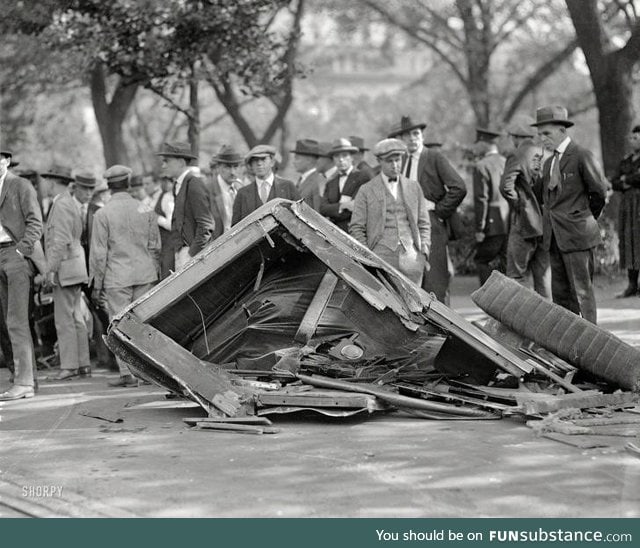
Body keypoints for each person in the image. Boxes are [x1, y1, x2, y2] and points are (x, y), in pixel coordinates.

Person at [533, 105, 609, 324]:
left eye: (546, 133)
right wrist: (536, 175)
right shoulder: (548, 163)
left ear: (562, 130)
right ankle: (565, 347)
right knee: (560, 296)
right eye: (539, 135)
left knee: (581, 293)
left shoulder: (581, 155)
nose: (542, 139)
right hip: (555, 238)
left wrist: (582, 218)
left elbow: (599, 193)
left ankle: (589, 345)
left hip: (577, 236)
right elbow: (542, 197)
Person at [90, 165, 161, 387]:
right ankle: (148, 372)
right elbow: (155, 247)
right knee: (144, 325)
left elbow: (99, 254)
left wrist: (97, 284)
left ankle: (127, 373)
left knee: (119, 326)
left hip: (116, 276)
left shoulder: (102, 214)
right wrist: (155, 272)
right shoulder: (146, 210)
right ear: (129, 184)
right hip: (145, 273)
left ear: (109, 187)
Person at [388, 115, 467, 304]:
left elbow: (459, 187)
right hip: (404, 227)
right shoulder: (400, 161)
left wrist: (439, 211)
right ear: (400, 140)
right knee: (409, 279)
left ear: (422, 135)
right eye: (406, 136)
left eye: (415, 134)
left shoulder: (434, 157)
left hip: (430, 225)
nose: (412, 139)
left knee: (436, 281)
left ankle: (447, 330)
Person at [350, 138, 431, 285]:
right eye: (389, 161)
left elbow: (424, 223)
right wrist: (367, 256)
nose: (395, 165)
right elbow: (356, 227)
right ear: (379, 161)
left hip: (413, 260)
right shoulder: (366, 190)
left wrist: (424, 252)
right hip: (380, 259)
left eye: (398, 160)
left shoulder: (414, 187)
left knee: (416, 306)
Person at [42, 165, 91, 381]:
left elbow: (59, 241)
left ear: (53, 182)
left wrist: (50, 269)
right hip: (75, 266)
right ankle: (82, 365)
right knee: (76, 317)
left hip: (65, 267)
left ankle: (69, 367)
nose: (45, 185)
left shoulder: (61, 205)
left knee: (64, 320)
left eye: (47, 181)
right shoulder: (67, 202)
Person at [0, 149, 43, 401]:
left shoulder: (20, 185)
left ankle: (24, 383)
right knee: (7, 321)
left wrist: (21, 251)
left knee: (16, 320)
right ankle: (27, 379)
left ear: (6, 161)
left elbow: (36, 222)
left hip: (13, 255)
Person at [499, 141, 551, 298]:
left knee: (516, 275)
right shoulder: (548, 154)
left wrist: (520, 205)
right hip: (547, 223)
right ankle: (547, 319)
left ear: (516, 137)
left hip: (525, 222)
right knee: (543, 277)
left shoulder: (517, 154)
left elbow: (506, 187)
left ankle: (520, 319)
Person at [157, 141, 214, 271]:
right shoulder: (179, 185)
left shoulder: (194, 184)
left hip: (195, 255)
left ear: (181, 162)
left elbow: (206, 225)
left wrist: (191, 254)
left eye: (167, 161)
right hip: (182, 252)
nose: (163, 165)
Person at [472, 128, 509, 285]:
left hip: (491, 224)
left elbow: (481, 199)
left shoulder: (481, 166)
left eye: (478, 142)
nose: (475, 147)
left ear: (484, 143)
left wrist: (480, 229)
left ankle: (489, 298)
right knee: (505, 261)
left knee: (481, 260)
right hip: (508, 220)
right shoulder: (506, 162)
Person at [232, 145, 300, 225]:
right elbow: (235, 227)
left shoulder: (288, 187)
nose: (259, 164)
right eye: (255, 160)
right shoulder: (242, 193)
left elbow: (300, 219)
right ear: (250, 165)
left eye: (263, 159)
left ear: (272, 162)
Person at [611, 124, 640, 297]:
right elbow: (615, 181)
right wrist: (628, 180)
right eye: (631, 138)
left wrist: (626, 179)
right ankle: (632, 284)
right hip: (628, 205)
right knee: (629, 239)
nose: (632, 141)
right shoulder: (626, 160)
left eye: (635, 138)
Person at [319, 138, 369, 232]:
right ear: (333, 159)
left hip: (355, 232)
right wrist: (342, 206)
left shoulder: (362, 178)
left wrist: (333, 210)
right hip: (333, 232)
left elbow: (356, 207)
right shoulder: (330, 183)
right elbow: (323, 208)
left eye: (345, 155)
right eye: (337, 156)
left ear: (351, 157)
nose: (341, 160)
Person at [209, 145, 244, 239]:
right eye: (227, 167)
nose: (232, 172)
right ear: (218, 167)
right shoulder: (207, 190)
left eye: (236, 167)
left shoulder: (241, 188)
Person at [290, 139, 324, 211]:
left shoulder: (319, 181)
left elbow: (318, 212)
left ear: (309, 160)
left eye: (297, 158)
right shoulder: (302, 179)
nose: (294, 162)